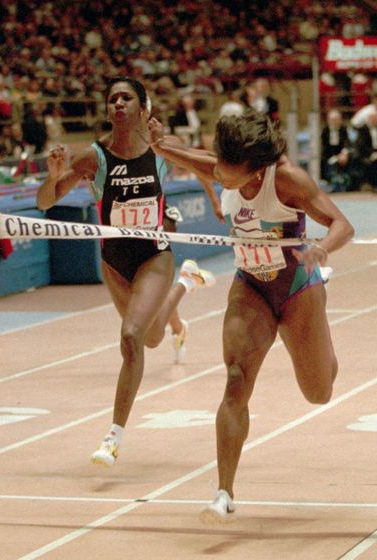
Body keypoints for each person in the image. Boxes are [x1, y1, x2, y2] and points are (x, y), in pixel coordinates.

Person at [148, 108, 354, 523]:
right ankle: (224, 490)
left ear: (257, 171)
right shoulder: (227, 164)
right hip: (251, 286)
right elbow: (189, 157)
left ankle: (323, 319)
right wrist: (158, 143)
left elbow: (341, 224)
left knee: (319, 392)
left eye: (228, 170)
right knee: (236, 378)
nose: (218, 174)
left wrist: (322, 249)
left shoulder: (288, 179)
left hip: (298, 289)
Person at [37, 77, 216, 467]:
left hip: (155, 255)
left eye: (126, 97)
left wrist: (217, 204)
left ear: (142, 107)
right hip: (114, 262)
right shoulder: (94, 157)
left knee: (132, 336)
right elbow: (46, 202)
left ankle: (113, 437)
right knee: (150, 339)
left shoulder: (162, 149)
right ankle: (186, 284)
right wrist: (53, 177)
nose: (118, 103)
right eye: (112, 99)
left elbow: (208, 168)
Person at [320, 109, 354, 192]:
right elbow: (324, 147)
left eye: (337, 120)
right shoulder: (325, 131)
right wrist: (335, 157)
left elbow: (347, 143)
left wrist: (344, 154)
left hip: (341, 154)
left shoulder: (343, 129)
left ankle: (347, 184)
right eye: (333, 120)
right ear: (328, 120)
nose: (335, 122)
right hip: (328, 155)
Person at [353, 107, 377, 192]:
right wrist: (372, 154)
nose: (374, 120)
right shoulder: (363, 130)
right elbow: (361, 146)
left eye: (375, 119)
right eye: (372, 119)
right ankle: (370, 184)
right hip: (367, 154)